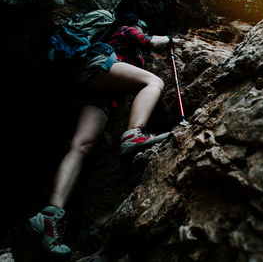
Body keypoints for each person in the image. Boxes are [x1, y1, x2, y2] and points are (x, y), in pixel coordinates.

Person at [27, 13, 185, 255]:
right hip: (101, 66)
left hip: (95, 85)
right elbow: (151, 42)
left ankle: (49, 215)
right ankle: (134, 134)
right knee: (153, 82)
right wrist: (172, 39)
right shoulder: (126, 29)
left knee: (81, 145)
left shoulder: (115, 40)